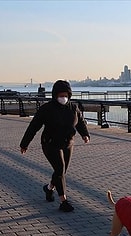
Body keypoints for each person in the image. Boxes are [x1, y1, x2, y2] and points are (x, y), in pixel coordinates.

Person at [20, 80, 90, 212]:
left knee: (61, 171)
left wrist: (85, 134)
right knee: (60, 168)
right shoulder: (47, 109)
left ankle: (49, 188)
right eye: (60, 95)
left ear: (69, 95)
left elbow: (80, 122)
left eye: (65, 95)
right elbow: (33, 126)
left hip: (68, 143)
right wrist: (24, 144)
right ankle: (63, 201)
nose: (63, 98)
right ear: (55, 95)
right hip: (50, 143)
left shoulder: (73, 108)